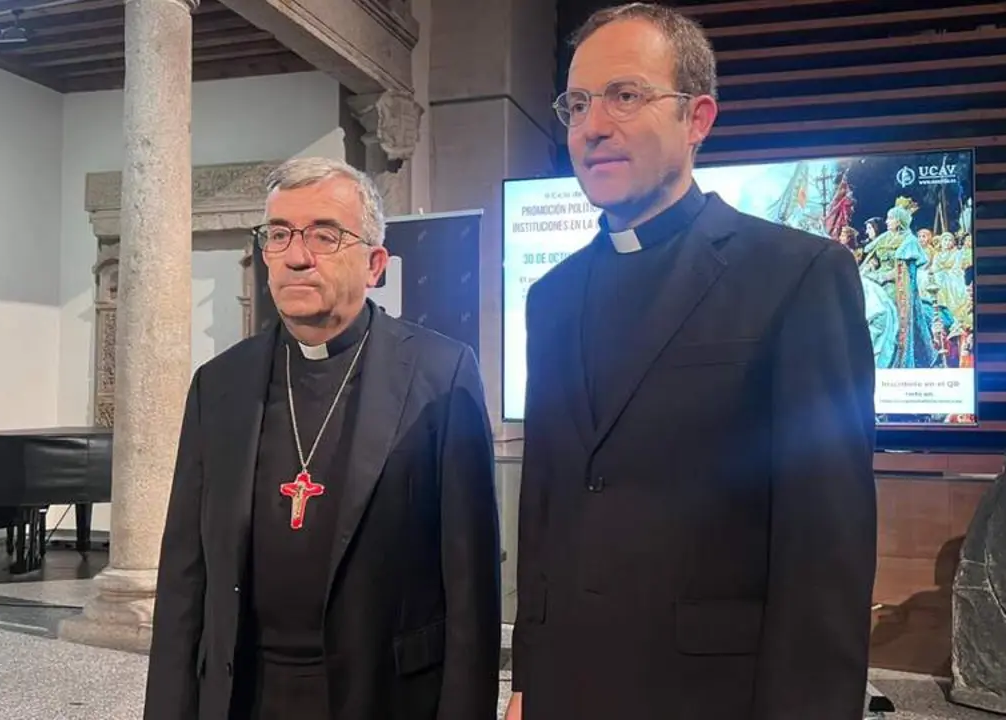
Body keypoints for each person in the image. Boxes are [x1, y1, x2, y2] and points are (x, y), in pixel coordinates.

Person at [506, 4, 878, 720]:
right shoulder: (550, 297)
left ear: (697, 118)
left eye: (625, 95)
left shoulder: (797, 276)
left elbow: (824, 547)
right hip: (568, 690)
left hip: (713, 697)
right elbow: (548, 502)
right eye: (578, 103)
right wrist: (529, 676)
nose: (593, 126)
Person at [144, 157, 502, 720]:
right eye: (279, 234)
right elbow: (184, 579)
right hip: (243, 695)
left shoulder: (440, 374)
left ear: (376, 264)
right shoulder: (219, 385)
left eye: (324, 235)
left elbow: (471, 586)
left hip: (383, 696)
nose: (296, 255)